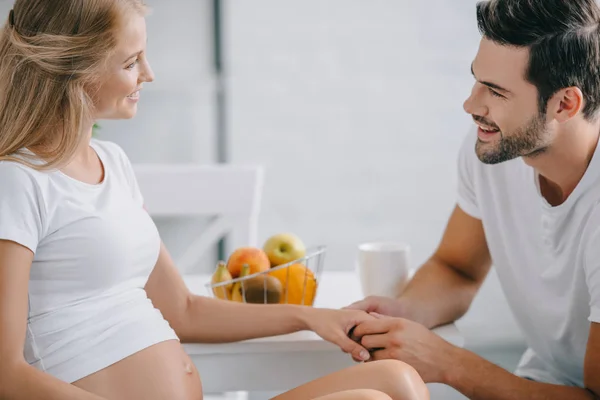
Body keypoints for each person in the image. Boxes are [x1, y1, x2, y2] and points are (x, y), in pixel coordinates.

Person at [0, 1, 431, 400]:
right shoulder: (18, 181)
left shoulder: (112, 162)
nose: (148, 74)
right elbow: (6, 373)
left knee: (398, 380)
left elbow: (183, 310)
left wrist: (311, 317)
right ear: (74, 69)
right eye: (131, 62)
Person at [345, 0, 600, 399]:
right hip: (544, 380)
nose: (471, 105)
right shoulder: (496, 150)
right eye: (477, 80)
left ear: (565, 104)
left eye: (496, 92)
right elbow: (456, 267)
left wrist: (447, 363)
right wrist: (407, 312)